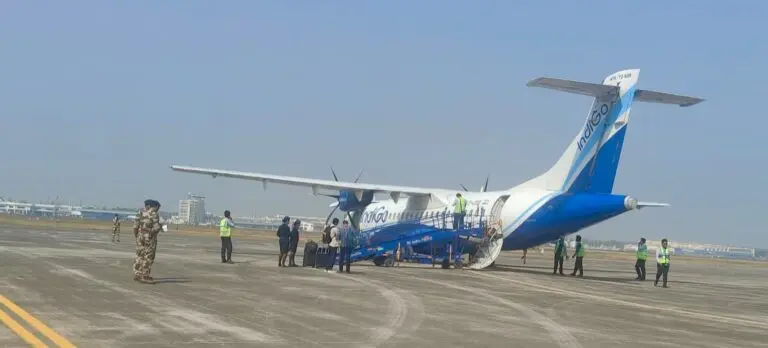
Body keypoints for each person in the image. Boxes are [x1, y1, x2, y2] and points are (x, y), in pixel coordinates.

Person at [132, 199, 162, 284]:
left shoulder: (140, 212)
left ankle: (137, 274)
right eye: (157, 208)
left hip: (140, 236)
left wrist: (137, 236)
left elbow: (135, 227)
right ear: (154, 206)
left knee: (139, 255)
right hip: (149, 237)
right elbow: (156, 228)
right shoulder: (154, 214)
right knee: (148, 257)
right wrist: (151, 235)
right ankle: (144, 276)